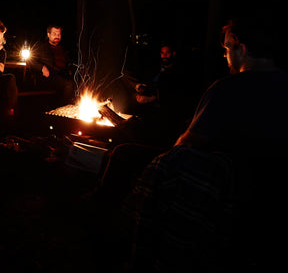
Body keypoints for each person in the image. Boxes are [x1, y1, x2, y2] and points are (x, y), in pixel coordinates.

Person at [123, 15, 288, 272]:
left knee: (133, 157)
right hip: (264, 191)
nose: (224, 56)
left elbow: (186, 144)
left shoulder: (228, 88)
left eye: (226, 49)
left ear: (240, 48)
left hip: (224, 191)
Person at [31, 24, 76, 106]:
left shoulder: (64, 48)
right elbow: (30, 60)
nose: (57, 36)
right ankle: (62, 109)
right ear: (48, 35)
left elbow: (69, 62)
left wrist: (70, 69)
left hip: (63, 74)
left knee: (81, 81)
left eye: (59, 34)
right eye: (54, 34)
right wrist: (42, 67)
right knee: (69, 84)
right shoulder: (41, 46)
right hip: (49, 76)